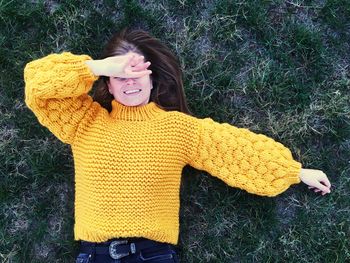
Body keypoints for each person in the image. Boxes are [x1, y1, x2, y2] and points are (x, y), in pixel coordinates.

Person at [23, 28, 332, 263]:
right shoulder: (84, 122)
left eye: (138, 73)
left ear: (153, 79)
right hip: (93, 255)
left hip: (152, 254)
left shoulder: (177, 129)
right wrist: (97, 67)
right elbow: (37, 85)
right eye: (121, 76)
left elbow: (232, 150)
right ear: (109, 84)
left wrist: (295, 172)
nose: (130, 82)